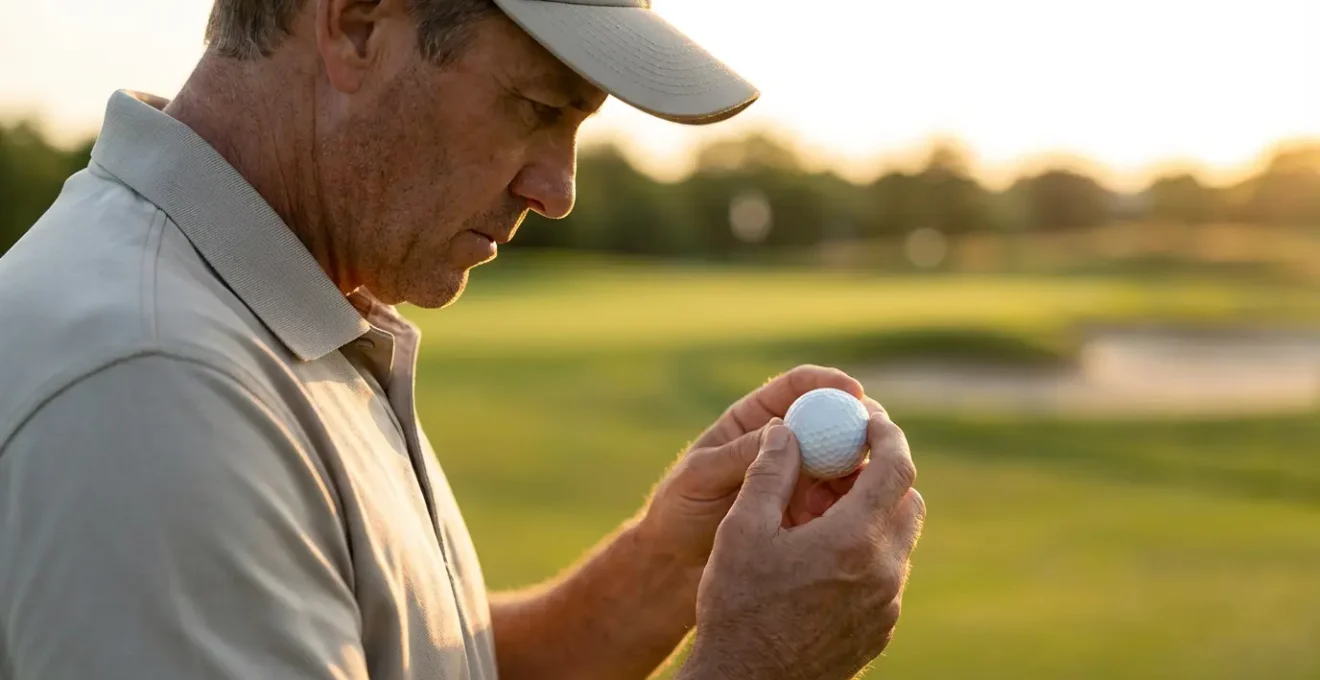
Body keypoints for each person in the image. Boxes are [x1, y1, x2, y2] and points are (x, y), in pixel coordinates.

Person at [0, 0, 926, 678]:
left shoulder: (269, 312)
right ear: (358, 24)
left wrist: (673, 563)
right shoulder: (156, 387)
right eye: (535, 107)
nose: (558, 190)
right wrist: (752, 663)